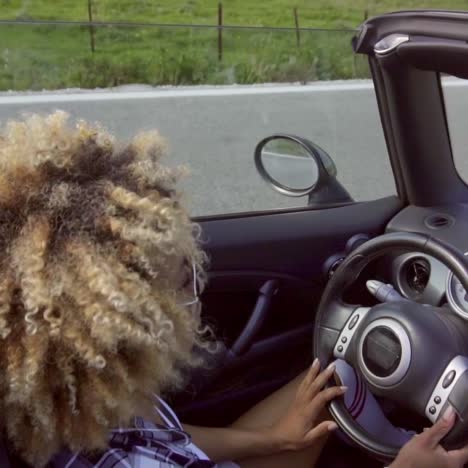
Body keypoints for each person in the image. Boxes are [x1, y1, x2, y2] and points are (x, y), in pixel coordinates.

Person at [0, 111, 466, 468]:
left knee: (332, 375)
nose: (200, 282)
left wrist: (274, 439)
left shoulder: (89, 399)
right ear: (126, 327)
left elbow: (170, 434)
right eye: (184, 278)